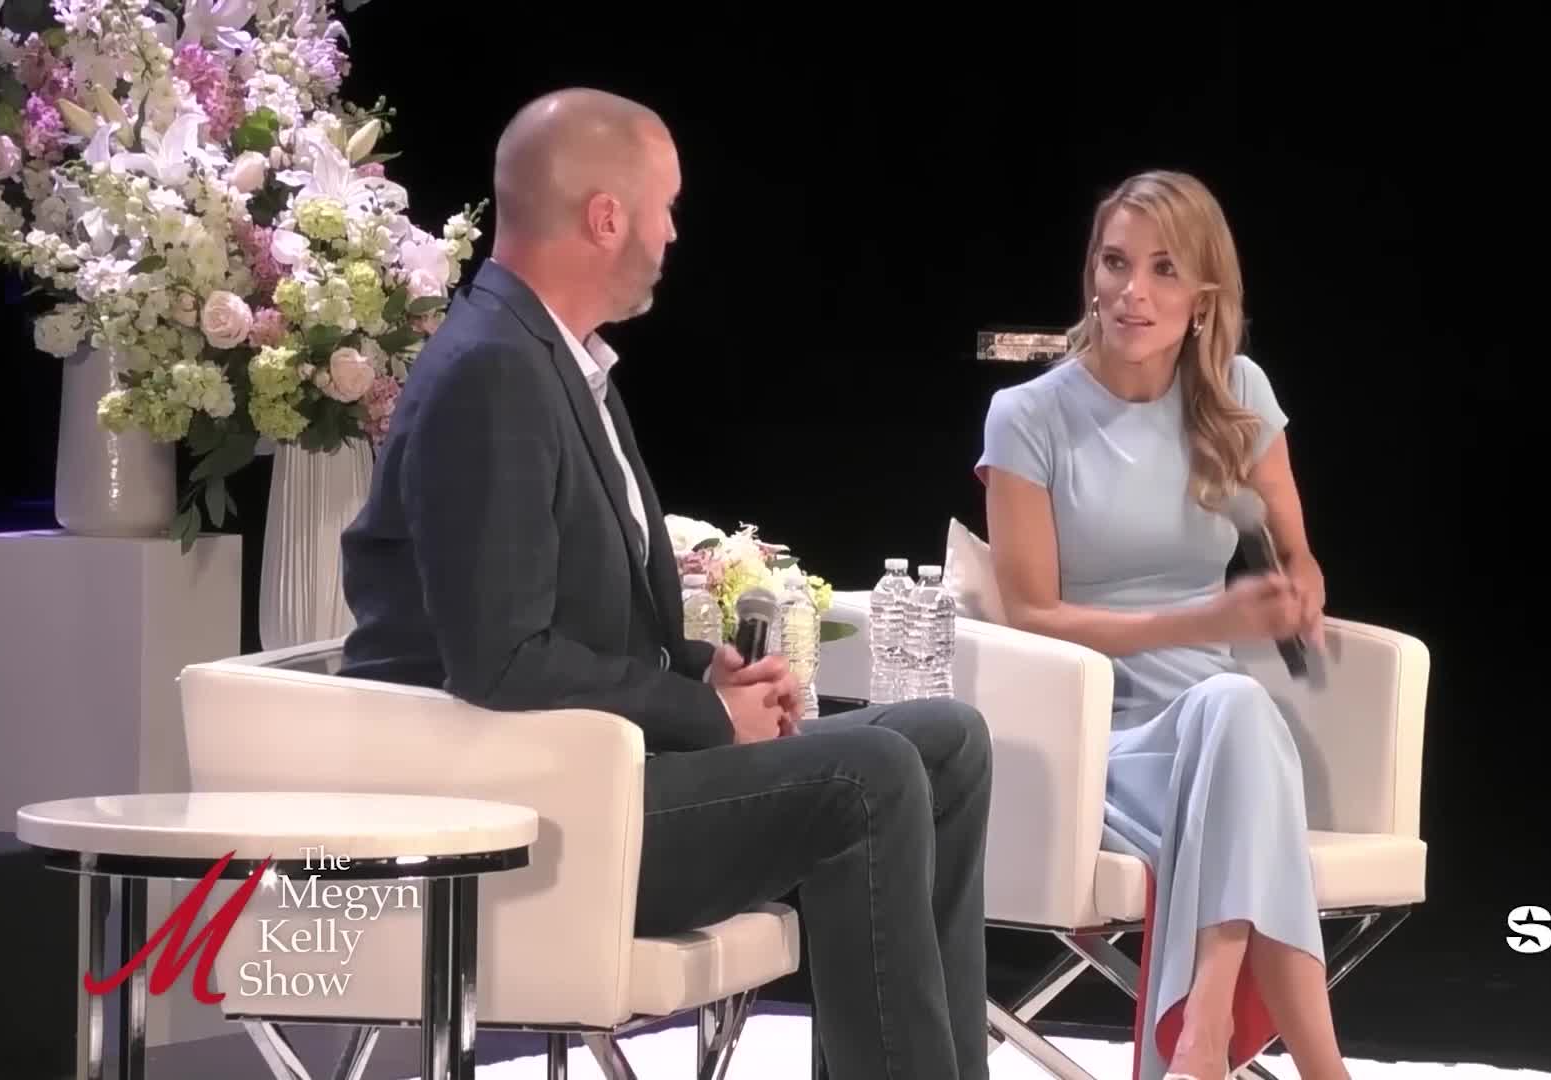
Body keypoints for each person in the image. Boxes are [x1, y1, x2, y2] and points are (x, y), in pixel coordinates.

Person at [338, 88, 992, 1080]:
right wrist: (702, 711)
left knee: (945, 740)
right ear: (608, 217)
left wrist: (709, 670)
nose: (674, 232)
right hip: (531, 805)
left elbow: (584, 621)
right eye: (666, 206)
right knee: (869, 776)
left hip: (603, 768)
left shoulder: (562, 366)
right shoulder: (491, 374)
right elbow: (502, 657)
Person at [975, 170, 1349, 1080]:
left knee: (1236, 716)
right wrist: (1205, 617)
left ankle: (1200, 1042)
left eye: (1163, 270)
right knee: (1241, 726)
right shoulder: (1027, 417)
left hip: (1213, 726)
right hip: (1092, 738)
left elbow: (1299, 556)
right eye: (1115, 263)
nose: (1132, 292)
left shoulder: (1239, 393)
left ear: (1202, 295)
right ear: (1091, 276)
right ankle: (1280, 1060)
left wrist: (1299, 591)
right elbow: (1031, 617)